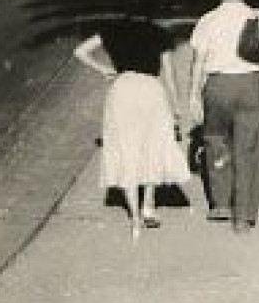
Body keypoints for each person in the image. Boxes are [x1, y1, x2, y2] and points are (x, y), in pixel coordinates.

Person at [72, 19, 191, 240]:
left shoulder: (112, 28)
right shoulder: (157, 32)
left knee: (127, 149)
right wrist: (175, 107)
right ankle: (148, 206)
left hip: (122, 90)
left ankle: (134, 217)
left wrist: (105, 70)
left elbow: (80, 52)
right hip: (151, 90)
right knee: (153, 146)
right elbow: (169, 74)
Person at [188, 0, 259, 233]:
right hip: (251, 85)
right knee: (249, 149)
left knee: (216, 141)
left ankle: (220, 204)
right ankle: (243, 217)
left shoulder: (208, 20)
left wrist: (193, 95)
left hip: (217, 86)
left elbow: (199, 61)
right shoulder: (258, 16)